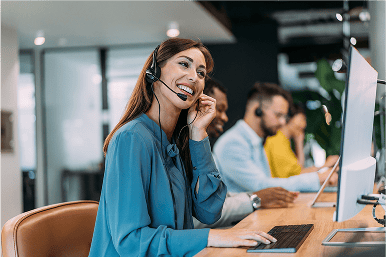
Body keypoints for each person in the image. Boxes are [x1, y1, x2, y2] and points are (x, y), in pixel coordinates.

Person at [89, 38, 276, 257]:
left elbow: (209, 212)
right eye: (184, 64)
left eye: (201, 73)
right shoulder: (131, 138)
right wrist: (212, 237)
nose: (194, 77)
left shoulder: (178, 140)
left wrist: (198, 134)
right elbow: (131, 241)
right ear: (154, 72)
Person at [193, 78, 298, 229]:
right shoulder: (231, 143)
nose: (225, 117)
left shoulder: (203, 150)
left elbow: (217, 200)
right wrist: (255, 199)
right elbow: (199, 213)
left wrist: (255, 198)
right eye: (217, 109)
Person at [213, 82, 337, 194]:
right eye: (278, 115)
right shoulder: (233, 143)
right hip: (243, 219)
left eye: (284, 117)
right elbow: (261, 186)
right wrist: (316, 178)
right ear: (258, 110)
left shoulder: (255, 140)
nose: (283, 122)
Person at [264, 103, 339, 178]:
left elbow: (298, 170)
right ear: (290, 117)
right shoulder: (277, 140)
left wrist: (299, 143)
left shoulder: (284, 140)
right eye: (302, 119)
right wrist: (325, 165)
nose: (304, 124)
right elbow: (296, 176)